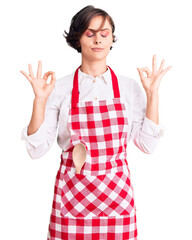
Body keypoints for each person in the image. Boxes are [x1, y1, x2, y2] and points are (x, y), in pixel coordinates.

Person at [20, 5, 172, 240]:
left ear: (112, 39)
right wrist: (39, 100)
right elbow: (37, 149)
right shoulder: (58, 88)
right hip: (72, 197)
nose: (98, 40)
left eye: (104, 33)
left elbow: (147, 145)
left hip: (117, 200)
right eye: (90, 33)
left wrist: (153, 95)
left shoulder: (129, 87)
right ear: (77, 38)